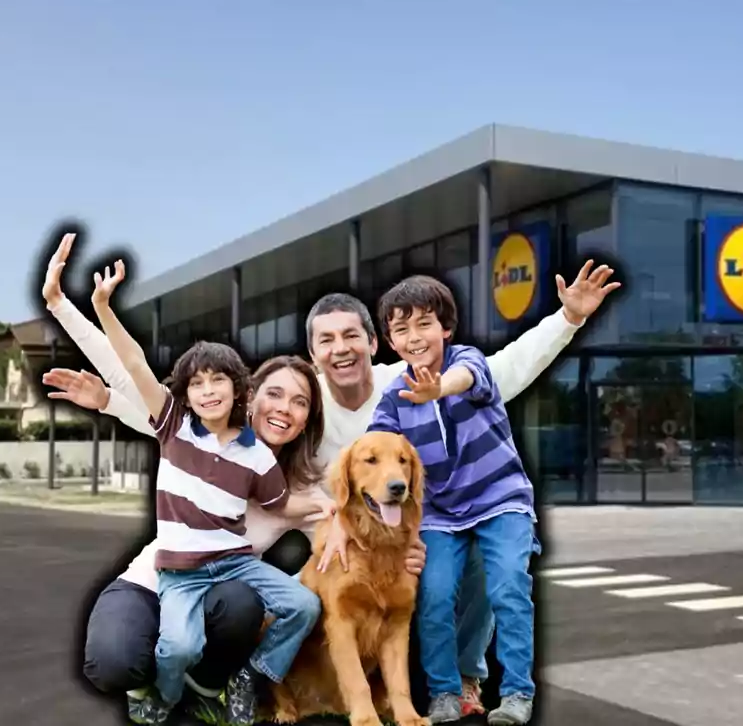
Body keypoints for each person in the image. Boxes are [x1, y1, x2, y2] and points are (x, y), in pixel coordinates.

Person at [42, 234, 613, 718]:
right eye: (324, 342)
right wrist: (73, 322)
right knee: (124, 657)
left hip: (269, 570)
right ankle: (194, 678)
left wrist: (567, 319)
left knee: (455, 565)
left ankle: (460, 677)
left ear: (372, 343)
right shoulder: (232, 433)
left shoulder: (391, 395)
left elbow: (502, 370)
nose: (284, 409)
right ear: (307, 361)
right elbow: (143, 384)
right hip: (168, 575)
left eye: (349, 337)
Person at [89, 259, 338, 725]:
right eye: (197, 384)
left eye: (217, 380)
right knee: (176, 646)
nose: (207, 391)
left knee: (305, 605)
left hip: (234, 566)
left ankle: (253, 673)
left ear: (238, 387)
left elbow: (280, 504)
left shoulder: (258, 457)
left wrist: (328, 504)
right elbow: (134, 365)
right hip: (179, 571)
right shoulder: (176, 428)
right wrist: (103, 307)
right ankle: (163, 693)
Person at [367, 271, 619, 726]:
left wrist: (437, 388)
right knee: (436, 595)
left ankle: (518, 692)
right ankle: (444, 692)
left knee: (507, 586)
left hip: (500, 497)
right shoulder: (392, 397)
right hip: (441, 512)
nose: (414, 336)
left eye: (424, 324)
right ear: (390, 341)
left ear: (445, 328)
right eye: (401, 329)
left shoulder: (469, 360)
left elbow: (466, 378)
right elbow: (373, 452)